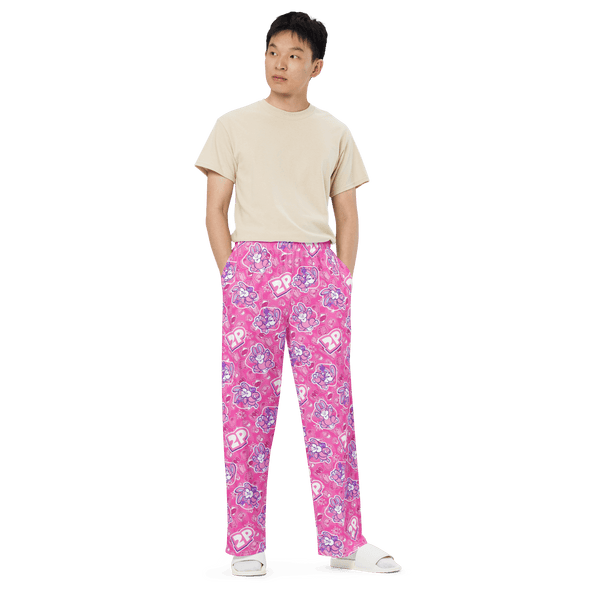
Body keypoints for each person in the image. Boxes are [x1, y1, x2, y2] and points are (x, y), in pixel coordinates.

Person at [192, 10, 404, 577]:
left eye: (294, 55)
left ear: (317, 67)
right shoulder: (232, 125)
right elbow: (215, 209)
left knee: (331, 410)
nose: (280, 64)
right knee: (245, 410)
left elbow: (348, 214)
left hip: (318, 273)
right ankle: (245, 546)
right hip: (252, 270)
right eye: (272, 53)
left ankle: (345, 541)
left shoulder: (335, 132)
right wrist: (232, 274)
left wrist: (343, 279)